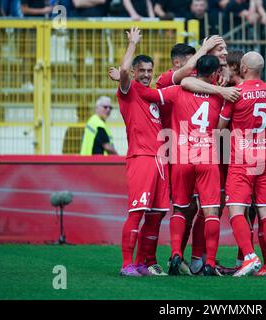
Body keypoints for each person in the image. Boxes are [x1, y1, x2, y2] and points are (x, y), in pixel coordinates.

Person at [137, 55, 240, 276]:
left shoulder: (178, 91)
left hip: (182, 158)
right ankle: (210, 262)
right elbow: (222, 129)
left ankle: (176, 254)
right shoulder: (221, 97)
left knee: (180, 209)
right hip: (207, 158)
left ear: (195, 71)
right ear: (214, 74)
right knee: (211, 211)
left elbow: (150, 94)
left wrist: (125, 81)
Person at [218, 52, 266, 277]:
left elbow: (220, 127)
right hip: (265, 159)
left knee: (236, 209)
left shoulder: (236, 94)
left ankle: (249, 256)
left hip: (242, 160)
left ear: (243, 68)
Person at [116, 27, 170, 277]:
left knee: (156, 215)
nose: (147, 75)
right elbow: (124, 71)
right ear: (136, 73)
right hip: (141, 158)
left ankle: (140, 263)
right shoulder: (128, 91)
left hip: (160, 161)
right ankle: (127, 264)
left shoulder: (151, 94)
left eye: (150, 71)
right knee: (137, 211)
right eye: (142, 71)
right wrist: (132, 44)